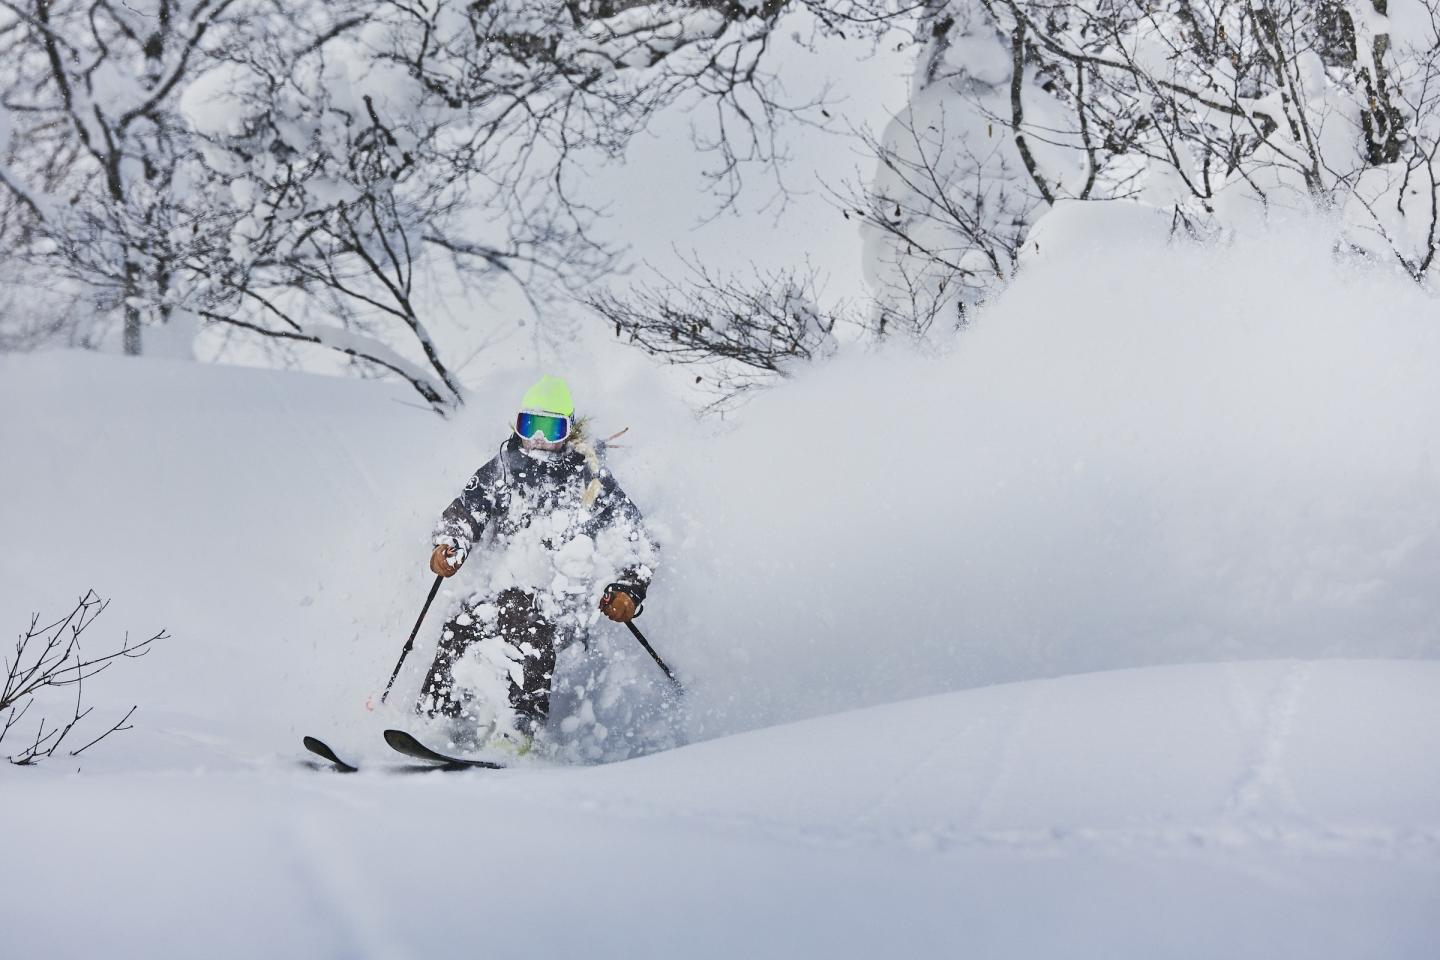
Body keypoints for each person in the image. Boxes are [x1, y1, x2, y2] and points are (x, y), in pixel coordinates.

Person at [417, 375, 658, 754]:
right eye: (532, 427)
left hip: (566, 598)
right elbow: (467, 509)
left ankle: (518, 733)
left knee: (531, 632)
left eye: (551, 429)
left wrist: (628, 590)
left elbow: (635, 541)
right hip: (505, 589)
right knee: (461, 623)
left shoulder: (589, 476)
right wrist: (452, 543)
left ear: (569, 431)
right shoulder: (503, 467)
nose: (540, 440)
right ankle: (437, 720)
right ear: (517, 426)